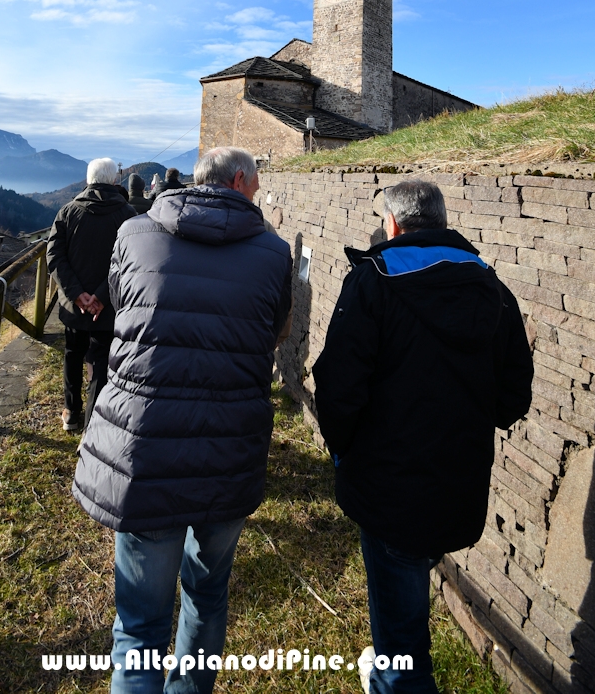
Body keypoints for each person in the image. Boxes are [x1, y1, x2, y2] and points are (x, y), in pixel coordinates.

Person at [73, 146, 292, 693]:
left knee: (140, 625)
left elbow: (125, 309)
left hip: (144, 448)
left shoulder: (134, 235)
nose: (260, 194)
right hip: (228, 448)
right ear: (240, 181)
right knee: (207, 596)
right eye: (258, 185)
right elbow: (276, 333)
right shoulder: (274, 252)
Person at [313, 179, 533, 693]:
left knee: (403, 642)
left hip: (387, 484)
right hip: (459, 479)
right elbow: (513, 401)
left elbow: (338, 389)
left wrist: (344, 450)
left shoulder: (373, 280)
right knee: (408, 591)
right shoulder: (493, 289)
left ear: (392, 224)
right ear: (441, 222)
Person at [47, 157, 136, 433]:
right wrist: (101, 296)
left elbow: (55, 255)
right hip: (107, 309)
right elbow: (130, 263)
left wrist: (76, 294)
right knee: (100, 361)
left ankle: (71, 412)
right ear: (113, 181)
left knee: (73, 354)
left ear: (88, 180)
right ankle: (93, 424)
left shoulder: (67, 212)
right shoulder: (129, 216)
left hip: (74, 307)